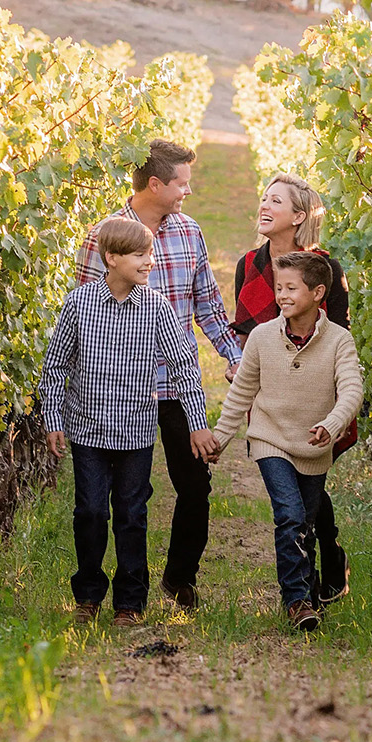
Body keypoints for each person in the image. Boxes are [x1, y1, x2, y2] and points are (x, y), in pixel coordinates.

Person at [75, 139, 242, 611]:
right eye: (182, 184)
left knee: (195, 484)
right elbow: (88, 311)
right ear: (155, 184)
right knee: (118, 500)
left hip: (177, 385)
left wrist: (232, 356)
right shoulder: (103, 237)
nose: (189, 192)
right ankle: (115, 588)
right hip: (121, 388)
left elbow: (208, 304)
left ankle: (178, 576)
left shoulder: (189, 232)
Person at [42, 218, 219, 628]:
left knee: (131, 515)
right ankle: (88, 594)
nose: (149, 262)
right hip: (87, 430)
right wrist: (53, 418)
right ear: (112, 258)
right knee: (89, 511)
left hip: (135, 433)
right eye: (141, 255)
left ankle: (130, 601)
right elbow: (55, 366)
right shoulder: (78, 304)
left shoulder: (157, 307)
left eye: (151, 254)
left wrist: (196, 424)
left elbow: (183, 369)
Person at [206, 252, 363, 631]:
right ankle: (296, 602)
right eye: (279, 288)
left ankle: (307, 594)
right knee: (289, 516)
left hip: (314, 445)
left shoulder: (340, 341)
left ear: (318, 292)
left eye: (291, 288)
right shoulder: (261, 337)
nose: (282, 295)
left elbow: (352, 389)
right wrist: (221, 437)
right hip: (269, 438)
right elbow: (242, 393)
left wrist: (333, 423)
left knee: (305, 526)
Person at [232, 173, 353, 603]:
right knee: (292, 502)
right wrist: (240, 367)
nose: (264, 206)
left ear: (298, 217)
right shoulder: (249, 264)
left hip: (318, 399)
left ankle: (329, 552)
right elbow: (246, 335)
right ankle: (302, 592)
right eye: (263, 198)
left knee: (311, 490)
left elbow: (338, 336)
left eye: (276, 201)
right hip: (272, 399)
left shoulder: (326, 269)